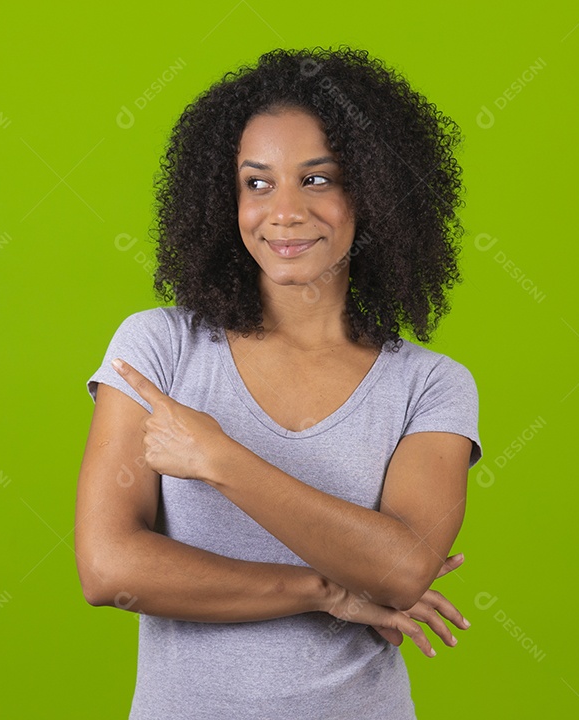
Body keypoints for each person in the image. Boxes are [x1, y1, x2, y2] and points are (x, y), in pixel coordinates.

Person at [76, 45, 483, 719]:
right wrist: (325, 587)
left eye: (318, 179)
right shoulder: (160, 347)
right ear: (223, 197)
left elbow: (404, 569)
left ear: (375, 193)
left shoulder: (431, 386)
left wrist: (220, 458)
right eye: (257, 183)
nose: (284, 212)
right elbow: (110, 569)